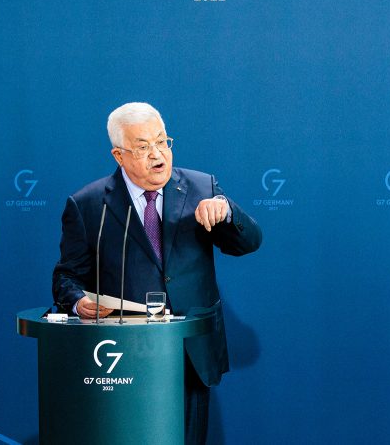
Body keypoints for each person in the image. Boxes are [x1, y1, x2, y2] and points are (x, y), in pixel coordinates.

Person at [53, 102, 262, 444]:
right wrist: (77, 302)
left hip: (188, 353)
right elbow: (65, 278)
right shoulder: (88, 205)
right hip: (121, 358)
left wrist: (226, 212)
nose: (157, 154)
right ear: (119, 156)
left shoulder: (201, 188)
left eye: (162, 142)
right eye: (143, 147)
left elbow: (249, 242)